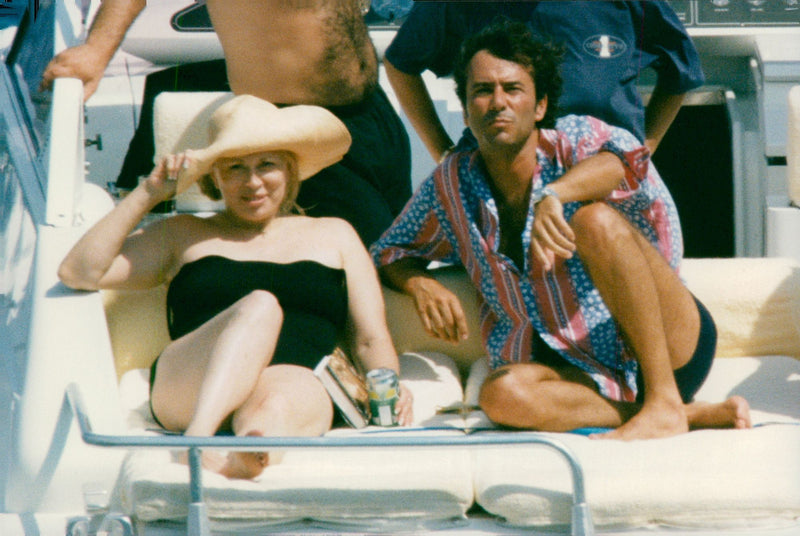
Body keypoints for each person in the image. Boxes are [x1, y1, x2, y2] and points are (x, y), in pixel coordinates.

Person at [371, 20, 749, 441]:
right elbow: (389, 251)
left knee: (593, 220)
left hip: (666, 346)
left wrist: (554, 194)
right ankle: (673, 415)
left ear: (539, 106)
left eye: (513, 89)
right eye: (482, 91)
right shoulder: (451, 184)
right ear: (465, 106)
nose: (498, 102)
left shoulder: (575, 138)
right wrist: (421, 283)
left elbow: (626, 160)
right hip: (571, 366)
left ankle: (664, 400)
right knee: (500, 396)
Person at [59, 95, 414, 479]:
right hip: (192, 384)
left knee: (273, 409)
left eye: (267, 165)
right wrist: (149, 193)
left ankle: (248, 454)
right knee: (259, 306)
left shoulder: (336, 234)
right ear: (215, 178)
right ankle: (198, 442)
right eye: (234, 169)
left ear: (289, 170)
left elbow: (369, 339)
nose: (253, 182)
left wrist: (389, 389)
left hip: (293, 380)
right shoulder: (182, 234)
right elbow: (79, 271)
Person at [41, 0, 411, 246]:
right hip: (293, 129)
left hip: (373, 114)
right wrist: (96, 52)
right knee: (373, 261)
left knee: (407, 248)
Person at [383, 1, 704, 162]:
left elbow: (681, 70)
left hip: (608, 179)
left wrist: (644, 149)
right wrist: (443, 152)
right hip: (502, 186)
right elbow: (400, 64)